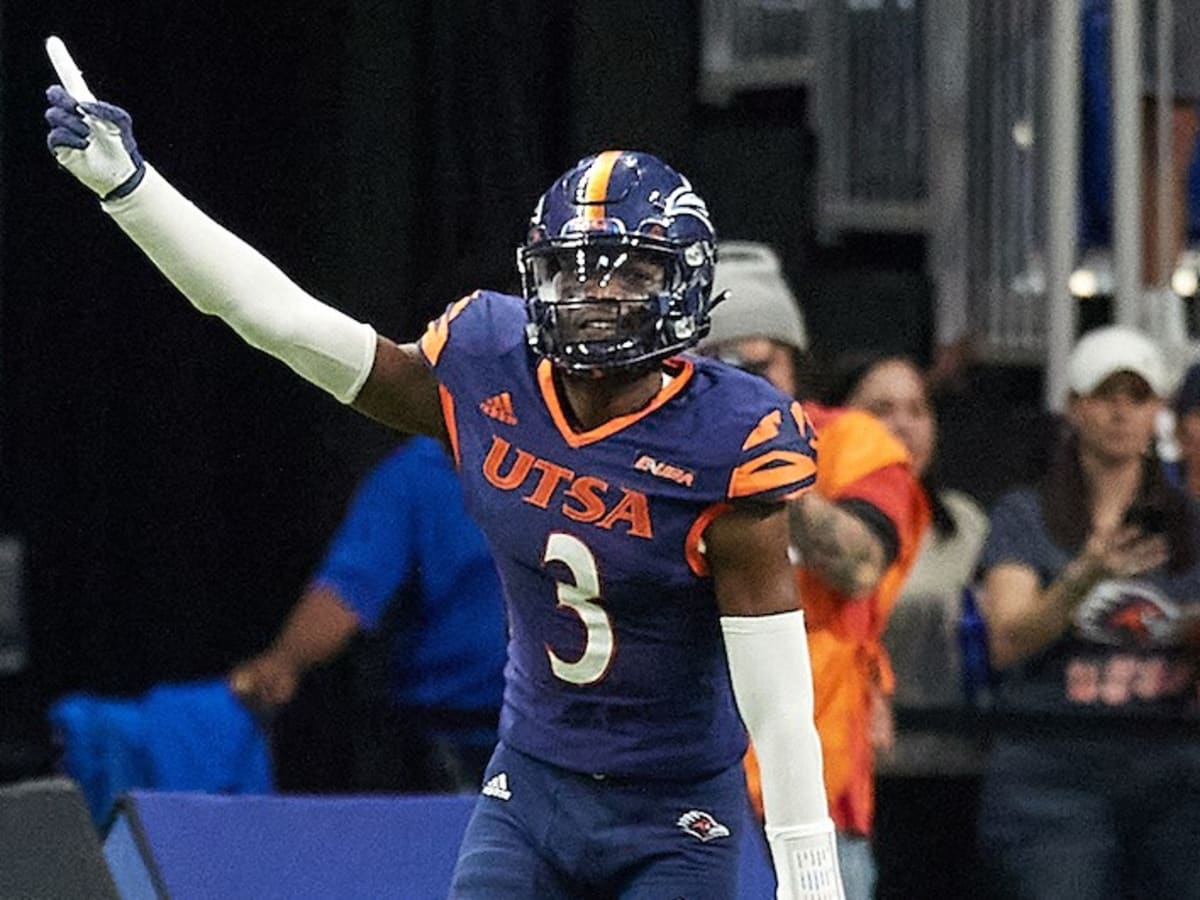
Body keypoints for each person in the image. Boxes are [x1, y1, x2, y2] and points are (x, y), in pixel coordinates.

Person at [43, 44, 844, 899]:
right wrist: (133, 194)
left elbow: (779, 700)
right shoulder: (485, 366)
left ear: (683, 286)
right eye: (576, 268)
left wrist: (809, 873)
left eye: (630, 272)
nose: (597, 294)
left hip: (677, 809)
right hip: (532, 788)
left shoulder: (728, 437)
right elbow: (276, 318)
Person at [696, 242, 929, 900]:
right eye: (715, 363)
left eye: (756, 363)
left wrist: (764, 462)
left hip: (812, 792)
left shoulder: (854, 442)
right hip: (685, 790)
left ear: (792, 360)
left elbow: (859, 564)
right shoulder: (662, 447)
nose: (736, 379)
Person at [977, 324, 1200, 899]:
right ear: (1074, 407)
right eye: (1105, 396)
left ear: (1159, 413)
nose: (1121, 413)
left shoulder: (1190, 523)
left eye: (1138, 397)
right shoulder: (1025, 515)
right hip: (1051, 783)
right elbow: (1006, 640)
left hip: (1175, 780)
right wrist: (1084, 576)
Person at [228, 436, 507, 794]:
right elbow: (349, 587)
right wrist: (284, 663)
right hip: (448, 740)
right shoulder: (414, 476)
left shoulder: (582, 461)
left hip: (570, 730)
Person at [831, 354, 989, 900]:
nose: (903, 425)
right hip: (842, 774)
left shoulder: (966, 525)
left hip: (947, 767)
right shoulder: (822, 528)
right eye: (881, 409)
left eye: (918, 409)